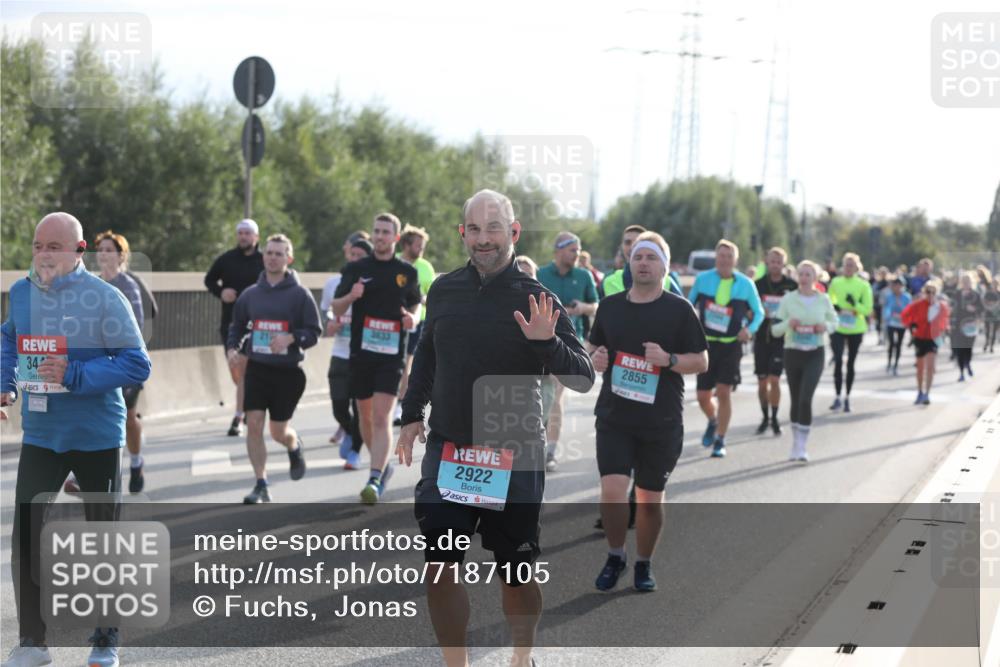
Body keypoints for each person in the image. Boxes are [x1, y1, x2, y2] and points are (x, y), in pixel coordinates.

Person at [396, 189, 594, 667]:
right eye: (474, 229)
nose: (483, 239)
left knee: (515, 574)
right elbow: (428, 352)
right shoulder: (444, 289)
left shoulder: (537, 298)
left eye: (494, 228)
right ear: (462, 233)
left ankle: (522, 656)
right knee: (440, 565)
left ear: (514, 232)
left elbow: (583, 377)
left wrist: (546, 344)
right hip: (451, 449)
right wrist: (411, 414)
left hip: (514, 455)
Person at [2, 212, 151, 667]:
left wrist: (76, 373)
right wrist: (4, 385)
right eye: (38, 246)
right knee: (26, 536)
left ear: (79, 250)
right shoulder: (22, 293)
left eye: (54, 247)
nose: (44, 255)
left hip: (96, 435)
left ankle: (105, 640)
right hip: (42, 434)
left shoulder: (105, 298)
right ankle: (33, 643)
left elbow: (136, 363)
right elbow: (7, 341)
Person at [588, 231, 708, 591]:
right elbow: (590, 349)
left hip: (661, 420)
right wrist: (595, 358)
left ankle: (643, 563)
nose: (643, 263)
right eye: (637, 257)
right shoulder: (610, 306)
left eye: (651, 257)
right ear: (629, 264)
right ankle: (615, 555)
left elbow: (701, 361)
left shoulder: (679, 309)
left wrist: (669, 359)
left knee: (649, 500)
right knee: (612, 491)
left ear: (664, 267)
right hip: (615, 416)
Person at [333, 213, 421, 504]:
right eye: (377, 231)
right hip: (361, 353)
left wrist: (412, 318)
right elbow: (336, 307)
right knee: (365, 415)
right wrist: (351, 296)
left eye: (386, 232)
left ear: (396, 237)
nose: (380, 236)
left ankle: (373, 477)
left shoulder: (406, 272)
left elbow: (416, 304)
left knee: (382, 417)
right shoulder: (356, 269)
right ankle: (381, 467)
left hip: (391, 356)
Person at [227, 234, 321, 503]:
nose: (272, 257)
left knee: (278, 431)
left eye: (279, 254)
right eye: (269, 252)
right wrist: (232, 348)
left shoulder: (300, 295)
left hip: (288, 373)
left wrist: (291, 338)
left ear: (289, 259)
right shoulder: (251, 294)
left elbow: (314, 332)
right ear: (263, 256)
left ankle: (293, 443)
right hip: (257, 369)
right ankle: (261, 484)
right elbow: (237, 326)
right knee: (254, 424)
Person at [688, 239, 765, 458]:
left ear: (735, 260)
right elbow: (687, 306)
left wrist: (749, 330)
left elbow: (759, 313)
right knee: (702, 396)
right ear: (716, 258)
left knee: (723, 391)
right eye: (721, 256)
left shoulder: (746, 284)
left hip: (731, 345)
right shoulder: (703, 279)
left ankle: (720, 439)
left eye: (729, 256)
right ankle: (713, 421)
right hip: (706, 345)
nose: (725, 260)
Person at [536, 232, 599, 471]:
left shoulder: (584, 275)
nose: (577, 254)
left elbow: (596, 304)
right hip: (540, 342)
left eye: (578, 250)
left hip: (571, 344)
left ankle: (549, 452)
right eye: (573, 250)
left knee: (555, 395)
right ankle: (536, 440)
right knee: (538, 396)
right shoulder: (541, 274)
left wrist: (583, 307)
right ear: (559, 250)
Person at [95, 231, 148, 493]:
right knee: (100, 416)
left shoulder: (128, 286)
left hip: (126, 362)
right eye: (100, 250)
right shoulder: (92, 284)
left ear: (121, 256)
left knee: (126, 417)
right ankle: (96, 473)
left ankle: (136, 462)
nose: (103, 254)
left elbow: (136, 325)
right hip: (99, 362)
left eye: (109, 250)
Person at [770, 261, 839, 462]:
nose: (804, 278)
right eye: (801, 274)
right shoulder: (788, 299)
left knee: (805, 398)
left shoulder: (823, 299)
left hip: (815, 353)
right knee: (795, 398)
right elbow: (775, 330)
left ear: (815, 278)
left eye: (808, 274)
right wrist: (788, 323)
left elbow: (835, 322)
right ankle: (795, 442)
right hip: (793, 352)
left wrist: (825, 326)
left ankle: (802, 446)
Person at [204, 219, 265, 437]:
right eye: (240, 233)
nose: (243, 237)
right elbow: (209, 280)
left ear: (256, 237)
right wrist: (221, 292)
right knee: (237, 371)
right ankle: (247, 405)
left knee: (248, 370)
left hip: (259, 325)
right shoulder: (227, 259)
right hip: (231, 323)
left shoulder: (264, 260)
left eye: (247, 233)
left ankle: (239, 415)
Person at [320, 233, 371, 470]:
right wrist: (330, 323)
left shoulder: (376, 284)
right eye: (353, 255)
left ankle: (354, 452)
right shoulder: (334, 283)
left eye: (361, 256)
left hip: (365, 355)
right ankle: (350, 431)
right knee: (339, 406)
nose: (355, 259)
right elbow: (325, 312)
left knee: (359, 408)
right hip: (340, 352)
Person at [752, 247, 798, 436]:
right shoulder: (757, 284)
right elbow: (750, 309)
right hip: (761, 338)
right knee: (762, 382)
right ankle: (765, 417)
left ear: (784, 264)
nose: (775, 265)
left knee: (775, 379)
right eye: (772, 261)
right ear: (767, 262)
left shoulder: (792, 285)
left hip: (781, 339)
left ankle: (775, 417)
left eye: (779, 262)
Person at [395, 225, 436, 426]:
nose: (421, 249)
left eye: (423, 246)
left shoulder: (426, 267)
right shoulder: (393, 262)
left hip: (417, 321)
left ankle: (399, 406)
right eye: (418, 245)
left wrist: (424, 299)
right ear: (406, 244)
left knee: (406, 364)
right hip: (391, 321)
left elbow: (433, 294)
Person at [827, 252, 873, 413]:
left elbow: (867, 309)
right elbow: (828, 300)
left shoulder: (863, 285)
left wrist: (855, 305)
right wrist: (835, 306)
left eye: (851, 265)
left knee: (851, 363)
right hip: (838, 327)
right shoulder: (836, 282)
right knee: (838, 361)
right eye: (846, 265)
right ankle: (837, 396)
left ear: (857, 268)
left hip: (856, 328)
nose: (848, 268)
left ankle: (847, 397)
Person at [901, 280, 950, 405]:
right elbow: (905, 315)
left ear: (937, 293)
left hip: (933, 338)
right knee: (920, 368)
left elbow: (945, 321)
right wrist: (911, 324)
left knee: (931, 367)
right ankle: (919, 392)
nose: (931, 294)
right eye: (928, 292)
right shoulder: (918, 304)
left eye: (933, 292)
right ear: (924, 292)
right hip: (920, 337)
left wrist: (942, 329)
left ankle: (927, 394)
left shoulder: (941, 306)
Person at [601, 225, 683, 297]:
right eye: (627, 242)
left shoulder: (668, 281)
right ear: (621, 246)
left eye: (637, 242)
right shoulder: (608, 281)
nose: (632, 247)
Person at [951, 272, 983, 381]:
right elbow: (952, 307)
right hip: (959, 324)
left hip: (971, 324)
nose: (966, 283)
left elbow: (981, 308)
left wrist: (974, 309)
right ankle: (961, 373)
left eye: (967, 281)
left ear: (971, 282)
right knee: (960, 348)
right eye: (964, 281)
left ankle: (968, 363)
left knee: (968, 348)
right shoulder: (957, 294)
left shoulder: (976, 294)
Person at [882, 277, 912, 375]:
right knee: (891, 343)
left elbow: (909, 310)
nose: (897, 287)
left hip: (901, 324)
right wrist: (888, 316)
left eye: (899, 285)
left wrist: (902, 312)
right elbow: (886, 308)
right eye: (895, 285)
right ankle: (889, 363)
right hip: (891, 322)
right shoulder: (889, 296)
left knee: (899, 344)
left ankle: (896, 365)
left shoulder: (906, 297)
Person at [872, 266, 890, 345]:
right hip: (878, 306)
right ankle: (879, 337)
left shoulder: (889, 283)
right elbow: (873, 293)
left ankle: (886, 338)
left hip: (887, 306)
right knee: (878, 322)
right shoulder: (877, 283)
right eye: (882, 273)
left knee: (887, 322)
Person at [984, 277, 1000, 354]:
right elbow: (984, 301)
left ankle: (991, 346)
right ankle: (987, 342)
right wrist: (990, 305)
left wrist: (995, 305)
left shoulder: (999, 293)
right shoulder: (988, 293)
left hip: (996, 314)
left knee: (994, 331)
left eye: (996, 284)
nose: (994, 285)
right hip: (988, 312)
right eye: (993, 284)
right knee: (987, 330)